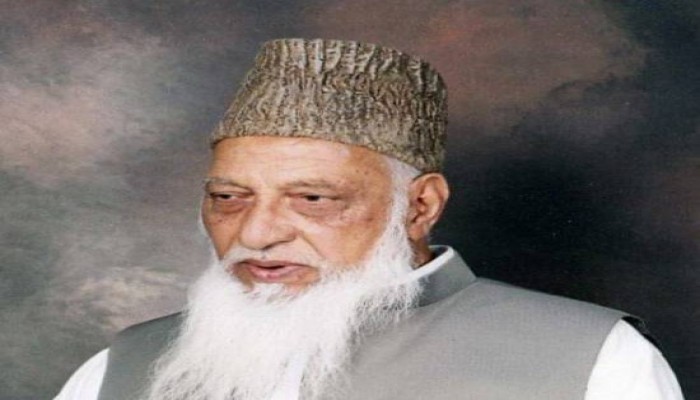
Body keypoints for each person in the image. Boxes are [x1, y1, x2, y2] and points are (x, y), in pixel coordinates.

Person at [55, 38, 684, 400]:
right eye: (229, 198)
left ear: (420, 206)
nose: (255, 234)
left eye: (313, 199)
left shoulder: (591, 359)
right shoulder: (121, 366)